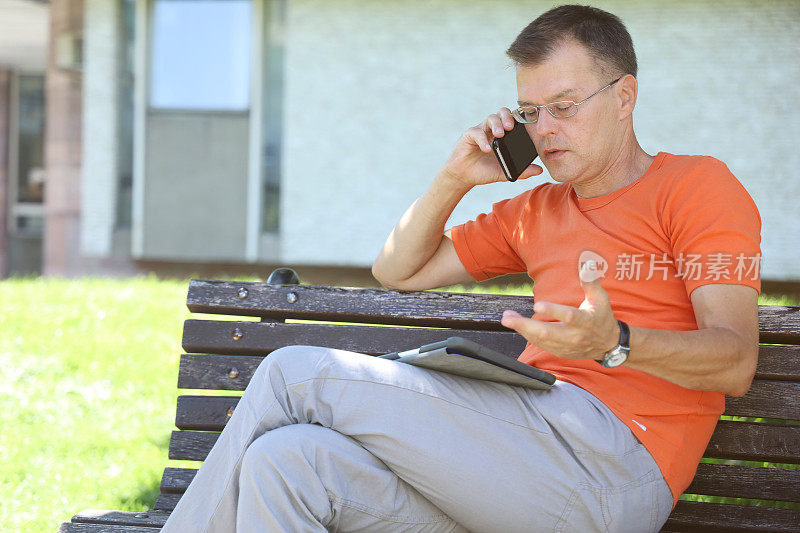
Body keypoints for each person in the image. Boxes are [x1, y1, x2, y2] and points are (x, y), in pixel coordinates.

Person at [161, 5, 761, 532]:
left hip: (612, 470)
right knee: (287, 465)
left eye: (564, 106)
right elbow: (399, 270)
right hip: (515, 461)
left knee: (294, 373)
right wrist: (455, 178)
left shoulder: (696, 186)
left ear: (624, 96)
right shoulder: (536, 210)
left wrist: (616, 343)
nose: (544, 129)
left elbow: (735, 361)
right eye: (531, 110)